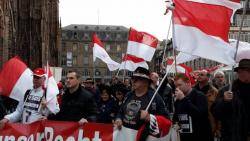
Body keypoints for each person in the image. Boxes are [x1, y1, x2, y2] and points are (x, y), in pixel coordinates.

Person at [114, 67, 171, 140]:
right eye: (132, 79)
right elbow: (121, 111)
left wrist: (150, 118)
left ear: (146, 82)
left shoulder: (155, 98)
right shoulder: (128, 95)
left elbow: (167, 120)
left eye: (137, 79)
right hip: (125, 136)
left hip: (143, 137)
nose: (133, 81)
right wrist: (118, 119)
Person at [212, 59, 250, 141]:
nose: (241, 73)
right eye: (239, 71)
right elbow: (215, 112)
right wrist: (224, 101)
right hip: (233, 136)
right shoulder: (227, 90)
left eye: (245, 70)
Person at [173, 73, 212, 141]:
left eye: (179, 85)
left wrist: (183, 99)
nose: (177, 88)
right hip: (185, 136)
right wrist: (175, 123)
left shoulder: (199, 96)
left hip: (200, 136)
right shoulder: (178, 100)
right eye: (176, 86)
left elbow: (200, 115)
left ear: (188, 83)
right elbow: (176, 116)